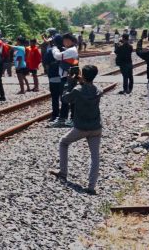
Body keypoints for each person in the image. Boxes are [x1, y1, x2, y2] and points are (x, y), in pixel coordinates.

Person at [51, 65, 103, 194]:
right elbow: (88, 89)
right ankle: (91, 187)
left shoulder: (77, 90)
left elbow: (65, 99)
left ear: (83, 75)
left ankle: (63, 172)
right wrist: (82, 81)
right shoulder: (98, 90)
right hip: (96, 127)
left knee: (63, 142)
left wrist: (69, 83)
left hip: (81, 127)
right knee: (95, 156)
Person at [45, 34, 65, 124]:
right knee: (64, 98)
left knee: (55, 98)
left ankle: (55, 115)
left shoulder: (50, 51)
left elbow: (46, 64)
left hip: (53, 77)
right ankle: (64, 116)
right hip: (64, 77)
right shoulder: (66, 50)